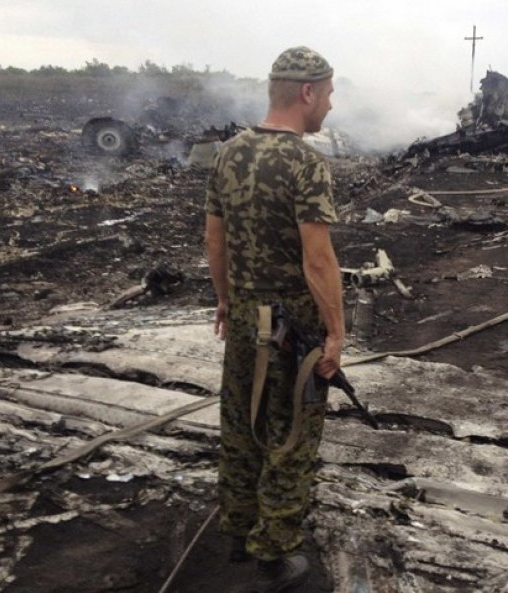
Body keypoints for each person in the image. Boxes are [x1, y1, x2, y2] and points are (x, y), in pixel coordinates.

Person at [204, 46, 343, 592]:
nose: (331, 105)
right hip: (291, 329)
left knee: (240, 423)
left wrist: (224, 298)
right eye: (328, 94)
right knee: (290, 435)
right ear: (307, 92)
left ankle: (239, 531)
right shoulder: (307, 162)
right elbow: (317, 260)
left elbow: (215, 240)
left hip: (241, 315)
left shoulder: (228, 153)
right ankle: (275, 553)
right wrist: (335, 332)